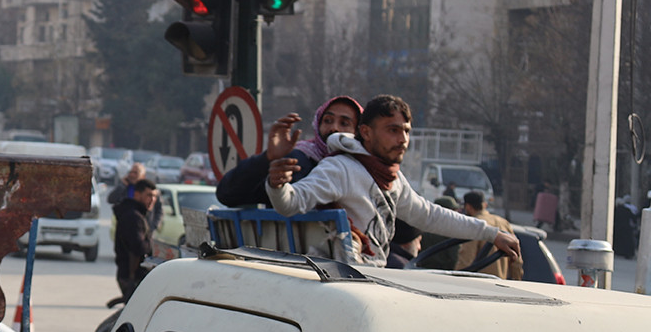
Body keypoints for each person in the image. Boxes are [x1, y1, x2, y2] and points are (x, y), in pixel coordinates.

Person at [266, 94, 520, 267]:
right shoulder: (340, 168)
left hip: (372, 281)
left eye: (406, 131)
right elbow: (290, 203)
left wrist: (491, 234)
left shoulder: (393, 178)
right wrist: (277, 185)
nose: (402, 139)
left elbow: (429, 215)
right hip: (342, 287)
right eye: (393, 130)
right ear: (365, 132)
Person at [216, 96, 362, 208]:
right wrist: (268, 159)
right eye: (328, 120)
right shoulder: (296, 161)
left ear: (359, 132)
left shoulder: (364, 169)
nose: (334, 128)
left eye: (344, 123)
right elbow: (227, 194)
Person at [112, 178, 159, 303]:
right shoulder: (133, 216)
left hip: (129, 275)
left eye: (154, 196)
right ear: (137, 194)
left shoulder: (136, 214)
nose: (152, 200)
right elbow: (138, 247)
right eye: (149, 195)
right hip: (131, 277)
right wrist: (151, 244)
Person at [455, 190, 514, 278]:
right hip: (501, 284)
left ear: (468, 207)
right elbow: (516, 259)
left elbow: (466, 260)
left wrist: (455, 280)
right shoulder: (504, 223)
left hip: (480, 285)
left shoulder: (474, 224)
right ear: (485, 205)